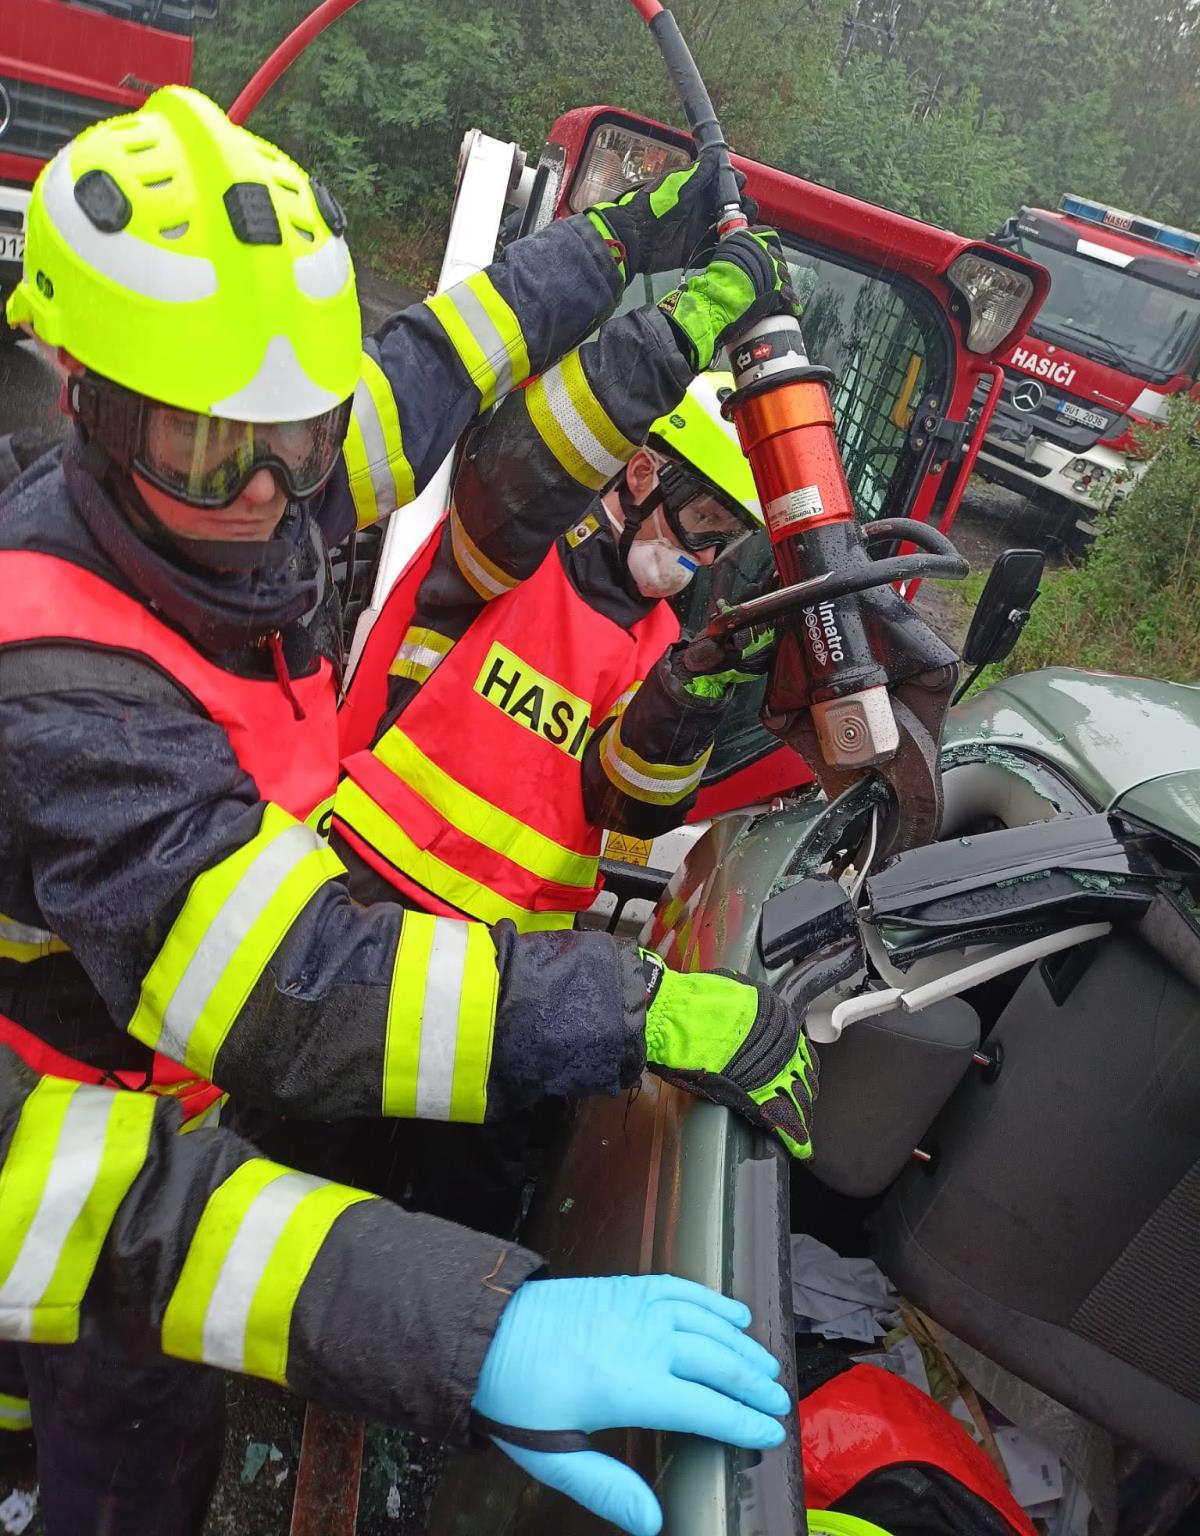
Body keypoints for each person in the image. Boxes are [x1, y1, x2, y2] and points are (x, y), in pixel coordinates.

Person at [0, 86, 816, 1532]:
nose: (267, 497)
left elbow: (439, 363)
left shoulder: (237, 480)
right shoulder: (60, 686)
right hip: (65, 1142)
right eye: (209, 449)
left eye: (302, 442)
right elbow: (288, 986)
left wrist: (620, 249)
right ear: (87, 401)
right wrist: (617, 1008)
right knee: (130, 1447)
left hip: (159, 1090)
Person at [0, 1045, 791, 1536]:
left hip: (118, 1154)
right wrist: (455, 1327)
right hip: (98, 1192)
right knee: (106, 1438)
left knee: (105, 1412)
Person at [336, 368, 779, 933]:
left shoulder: (666, 648)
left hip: (509, 944)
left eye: (727, 537)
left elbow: (631, 808)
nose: (709, 555)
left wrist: (693, 694)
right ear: (642, 474)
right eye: (703, 521)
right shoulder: (511, 549)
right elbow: (529, 446)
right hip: (373, 877)